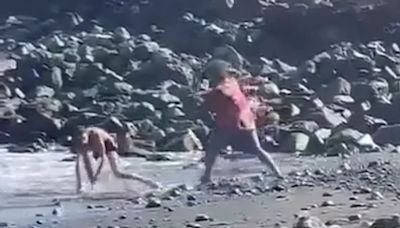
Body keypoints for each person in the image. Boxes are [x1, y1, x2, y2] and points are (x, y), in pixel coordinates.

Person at [200, 69, 283, 183]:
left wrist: (205, 96)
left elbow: (217, 96)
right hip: (247, 122)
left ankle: (207, 175)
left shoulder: (222, 89)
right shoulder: (233, 83)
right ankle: (277, 172)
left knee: (213, 149)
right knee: (257, 149)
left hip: (230, 124)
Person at [72, 126, 161, 194]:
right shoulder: (80, 142)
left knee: (117, 173)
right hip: (94, 146)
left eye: (83, 139)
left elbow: (103, 159)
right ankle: (85, 187)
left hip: (108, 144)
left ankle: (148, 182)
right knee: (88, 170)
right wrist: (80, 185)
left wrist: (97, 174)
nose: (83, 142)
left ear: (86, 136)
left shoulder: (95, 136)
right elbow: (82, 163)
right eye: (80, 140)